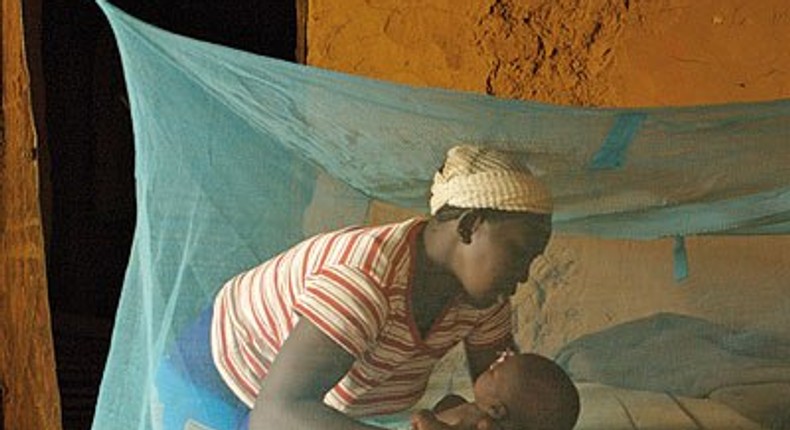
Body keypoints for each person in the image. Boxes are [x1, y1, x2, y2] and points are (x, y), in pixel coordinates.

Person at [177, 144, 554, 430]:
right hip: (221, 382)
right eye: (520, 254)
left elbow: (508, 395)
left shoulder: (485, 299)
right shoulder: (365, 279)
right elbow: (275, 414)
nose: (523, 276)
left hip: (308, 404)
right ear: (470, 226)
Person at [411, 352, 580, 430]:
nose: (494, 362)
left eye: (493, 372)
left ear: (496, 409)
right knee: (453, 400)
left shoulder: (485, 425)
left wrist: (426, 419)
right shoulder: (483, 412)